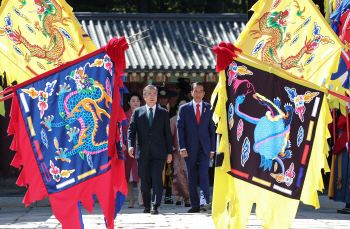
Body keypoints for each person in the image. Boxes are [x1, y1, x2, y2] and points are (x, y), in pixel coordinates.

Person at [127, 85, 173, 215]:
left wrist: (169, 152)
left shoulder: (163, 113)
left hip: (159, 152)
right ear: (144, 97)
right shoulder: (137, 112)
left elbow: (168, 134)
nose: (152, 96)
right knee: (144, 180)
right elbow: (131, 130)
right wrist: (131, 145)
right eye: (149, 94)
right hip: (142, 152)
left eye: (154, 94)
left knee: (157, 179)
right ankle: (147, 205)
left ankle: (155, 205)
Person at [177, 82, 216, 213]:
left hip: (205, 147)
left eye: (201, 91)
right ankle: (195, 204)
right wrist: (182, 147)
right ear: (191, 93)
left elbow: (212, 130)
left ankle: (205, 201)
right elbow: (180, 129)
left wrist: (212, 149)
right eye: (196, 91)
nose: (198, 94)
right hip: (189, 147)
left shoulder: (209, 108)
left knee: (204, 174)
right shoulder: (184, 109)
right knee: (192, 175)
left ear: (204, 94)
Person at [157, 85, 178, 204]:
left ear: (169, 100)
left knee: (171, 170)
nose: (163, 100)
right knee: (158, 170)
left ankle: (169, 194)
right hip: (158, 144)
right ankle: (158, 194)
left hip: (171, 144)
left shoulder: (174, 111)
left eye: (165, 98)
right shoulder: (155, 110)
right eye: (161, 98)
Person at [123, 92, 143, 208]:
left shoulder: (144, 114)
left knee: (140, 173)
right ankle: (131, 199)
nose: (135, 102)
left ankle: (140, 197)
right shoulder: (124, 116)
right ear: (129, 103)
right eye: (133, 100)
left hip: (140, 147)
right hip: (127, 148)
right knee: (129, 175)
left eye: (138, 101)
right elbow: (120, 131)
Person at [170, 96, 191, 207]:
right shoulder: (173, 120)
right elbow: (169, 136)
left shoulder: (192, 119)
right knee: (178, 174)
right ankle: (181, 196)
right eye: (180, 105)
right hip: (177, 152)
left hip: (190, 151)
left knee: (188, 174)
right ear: (177, 107)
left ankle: (186, 198)